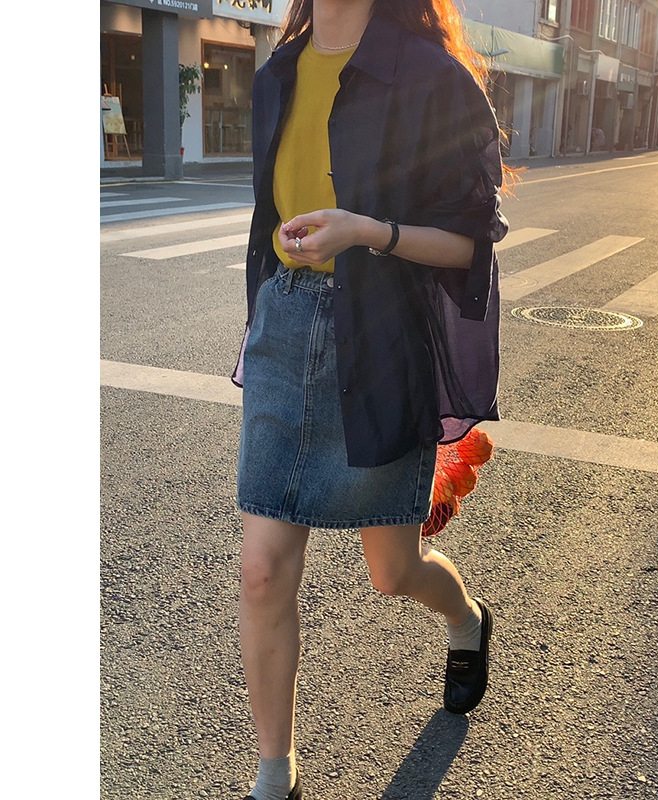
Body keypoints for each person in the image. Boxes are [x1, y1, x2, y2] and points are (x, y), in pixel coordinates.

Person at [231, 1, 510, 798]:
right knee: (261, 569)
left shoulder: (431, 78)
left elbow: (468, 243)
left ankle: (466, 620)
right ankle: (275, 777)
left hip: (382, 338)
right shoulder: (279, 73)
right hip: (286, 329)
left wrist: (365, 231)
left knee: (392, 571)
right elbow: (270, 219)